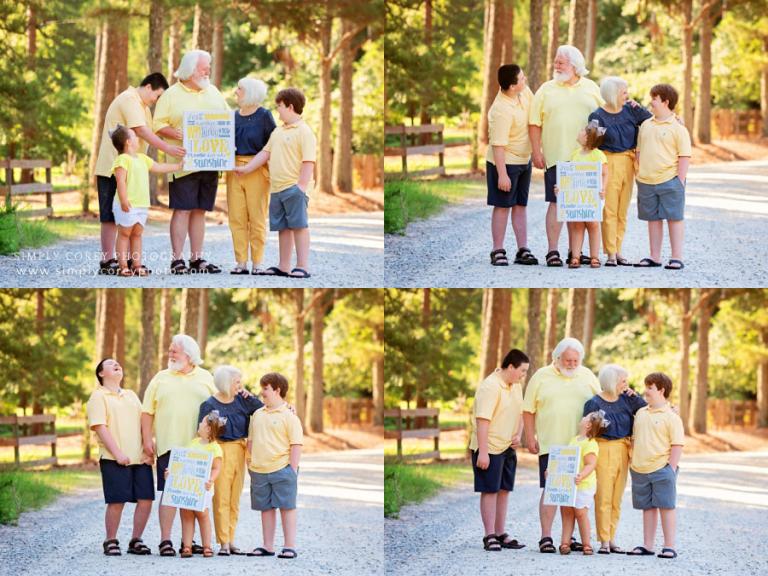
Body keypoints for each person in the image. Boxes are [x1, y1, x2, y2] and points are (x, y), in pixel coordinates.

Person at [93, 73, 186, 275]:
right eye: (157, 95)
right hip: (114, 166)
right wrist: (167, 150)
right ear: (149, 87)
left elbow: (153, 131)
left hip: (133, 170)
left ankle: (127, 261)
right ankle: (108, 261)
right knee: (110, 214)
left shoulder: (143, 107)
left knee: (127, 218)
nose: (156, 100)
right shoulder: (130, 99)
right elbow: (142, 131)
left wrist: (183, 133)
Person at [153, 50, 229, 275]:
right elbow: (157, 125)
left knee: (200, 210)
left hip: (210, 161)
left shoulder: (213, 92)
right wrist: (176, 134)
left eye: (208, 67)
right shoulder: (171, 95)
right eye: (203, 67)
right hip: (182, 163)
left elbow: (227, 121)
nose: (208, 71)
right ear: (189, 70)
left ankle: (196, 259)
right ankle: (177, 260)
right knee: (183, 209)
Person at [522, 337, 600, 554]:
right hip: (552, 445)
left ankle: (570, 538)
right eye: (568, 360)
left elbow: (603, 403)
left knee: (575, 494)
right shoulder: (541, 376)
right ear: (557, 358)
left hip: (580, 446)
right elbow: (528, 410)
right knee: (551, 491)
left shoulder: (587, 375)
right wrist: (530, 437)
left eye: (576, 361)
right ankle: (546, 537)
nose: (572, 365)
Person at [141, 334, 216, 557]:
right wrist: (147, 439)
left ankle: (189, 541)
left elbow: (223, 403)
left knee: (192, 495)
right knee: (168, 493)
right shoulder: (160, 378)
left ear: (189, 355)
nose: (170, 354)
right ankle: (165, 540)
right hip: (169, 444)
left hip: (199, 448)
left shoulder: (206, 377)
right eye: (170, 350)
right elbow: (147, 412)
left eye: (174, 351)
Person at [528, 45, 604, 267]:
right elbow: (534, 123)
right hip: (557, 156)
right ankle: (553, 251)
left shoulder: (591, 88)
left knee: (580, 206)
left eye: (561, 61)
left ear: (575, 65)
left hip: (586, 158)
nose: (556, 65)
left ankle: (576, 252)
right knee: (556, 202)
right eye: (556, 61)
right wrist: (536, 151)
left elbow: (609, 113)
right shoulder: (546, 89)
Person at [234, 88, 316, 279]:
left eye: (279, 106)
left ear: (290, 106)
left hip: (294, 188)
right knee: (282, 228)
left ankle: (303, 266)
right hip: (276, 188)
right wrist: (247, 169)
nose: (277, 110)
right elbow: (265, 153)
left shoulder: (304, 131)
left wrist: (301, 187)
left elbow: (308, 161)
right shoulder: (278, 131)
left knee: (299, 226)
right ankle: (284, 266)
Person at [87, 358, 154, 556]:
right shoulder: (98, 397)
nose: (117, 364)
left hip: (139, 457)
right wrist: (117, 454)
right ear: (101, 373)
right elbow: (100, 427)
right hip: (113, 458)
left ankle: (136, 540)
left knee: (146, 499)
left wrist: (148, 448)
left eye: (118, 363)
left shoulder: (131, 395)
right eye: (110, 364)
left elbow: (144, 422)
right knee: (117, 501)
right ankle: (110, 540)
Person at [198, 365, 263, 555]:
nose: (240, 385)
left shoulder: (243, 401)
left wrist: (250, 395)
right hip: (219, 451)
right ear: (226, 383)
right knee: (221, 498)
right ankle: (223, 542)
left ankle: (231, 539)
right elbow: (202, 432)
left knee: (235, 499)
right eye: (237, 382)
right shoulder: (209, 405)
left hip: (240, 450)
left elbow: (263, 410)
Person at [469, 349, 529, 551]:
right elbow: (482, 421)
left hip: (507, 447)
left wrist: (518, 434)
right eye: (522, 371)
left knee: (504, 490)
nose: (523, 375)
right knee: (490, 490)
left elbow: (521, 412)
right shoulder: (490, 387)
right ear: (510, 366)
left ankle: (501, 532)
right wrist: (483, 452)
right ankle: (489, 535)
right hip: (490, 447)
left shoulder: (516, 386)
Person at [588, 77, 653, 266]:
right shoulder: (597, 116)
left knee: (622, 211)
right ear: (613, 94)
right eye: (624, 92)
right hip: (608, 163)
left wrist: (640, 108)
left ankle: (618, 250)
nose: (628, 95)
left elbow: (653, 121)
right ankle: (610, 253)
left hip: (629, 163)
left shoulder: (631, 110)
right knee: (609, 210)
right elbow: (592, 144)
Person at [583, 364, 647, 554]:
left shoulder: (628, 399)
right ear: (612, 382)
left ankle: (611, 538)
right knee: (603, 496)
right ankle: (603, 540)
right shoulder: (594, 403)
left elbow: (646, 410)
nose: (626, 384)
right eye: (623, 381)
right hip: (602, 449)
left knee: (616, 499)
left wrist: (636, 396)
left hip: (623, 449)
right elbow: (587, 431)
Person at [109, 125, 182, 276]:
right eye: (134, 136)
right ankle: (123, 266)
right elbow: (120, 181)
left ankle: (137, 265)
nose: (138, 138)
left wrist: (178, 166)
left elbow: (159, 167)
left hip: (141, 205)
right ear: (128, 142)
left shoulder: (142, 158)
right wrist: (123, 200)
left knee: (137, 234)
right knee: (124, 234)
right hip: (127, 204)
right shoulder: (122, 160)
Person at [627, 372, 684, 559]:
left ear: (661, 390)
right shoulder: (641, 413)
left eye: (650, 388)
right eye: (646, 387)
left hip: (662, 469)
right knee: (647, 508)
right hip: (640, 469)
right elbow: (635, 439)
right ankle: (648, 545)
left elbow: (677, 444)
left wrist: (671, 468)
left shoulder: (671, 416)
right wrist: (633, 461)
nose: (646, 391)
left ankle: (669, 546)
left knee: (666, 506)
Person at [634, 84, 692, 270]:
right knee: (653, 219)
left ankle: (676, 257)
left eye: (655, 98)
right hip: (646, 181)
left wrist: (679, 182)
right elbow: (639, 151)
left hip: (670, 181)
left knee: (674, 218)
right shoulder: (645, 125)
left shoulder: (678, 128)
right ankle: (655, 257)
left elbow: (684, 156)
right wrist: (639, 171)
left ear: (665, 102)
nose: (651, 102)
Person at [246, 373, 303, 559]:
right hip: (259, 470)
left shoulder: (289, 416)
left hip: (282, 469)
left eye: (265, 388)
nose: (262, 392)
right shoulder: (257, 414)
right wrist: (250, 462)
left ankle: (289, 546)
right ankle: (268, 546)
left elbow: (296, 444)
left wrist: (292, 470)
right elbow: (251, 441)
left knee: (287, 507)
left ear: (277, 390)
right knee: (266, 508)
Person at [485, 65, 537, 267]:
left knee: (520, 205)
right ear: (513, 86)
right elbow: (498, 145)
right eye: (522, 79)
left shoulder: (523, 94)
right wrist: (502, 175)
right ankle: (497, 250)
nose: (526, 81)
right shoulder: (501, 110)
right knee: (502, 206)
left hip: (524, 161)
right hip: (504, 163)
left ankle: (522, 249)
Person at [227, 78, 277, 275]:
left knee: (257, 218)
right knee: (236, 218)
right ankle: (240, 262)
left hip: (257, 170)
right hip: (233, 170)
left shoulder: (264, 116)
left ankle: (257, 263)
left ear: (250, 92)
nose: (236, 92)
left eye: (239, 89)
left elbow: (273, 145)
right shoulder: (231, 117)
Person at [165, 411, 225, 558]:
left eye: (202, 422)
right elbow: (183, 464)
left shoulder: (214, 448)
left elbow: (217, 468)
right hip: (187, 487)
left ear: (208, 429)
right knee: (186, 515)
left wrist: (210, 479)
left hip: (203, 487)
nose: (199, 424)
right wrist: (171, 474)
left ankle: (207, 546)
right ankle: (187, 546)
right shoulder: (192, 443)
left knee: (203, 515)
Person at [554, 120, 608, 269]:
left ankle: (594, 257)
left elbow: (604, 174)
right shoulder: (575, 155)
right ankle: (575, 256)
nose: (579, 132)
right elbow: (569, 177)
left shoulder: (598, 155)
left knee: (593, 224)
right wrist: (561, 189)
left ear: (587, 138)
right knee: (577, 225)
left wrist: (603, 189)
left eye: (582, 131)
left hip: (593, 197)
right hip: (578, 198)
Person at [558, 410, 608, 556]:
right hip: (569, 484)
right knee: (567, 512)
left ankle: (586, 544)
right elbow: (564, 460)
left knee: (580, 513)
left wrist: (581, 475)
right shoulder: (573, 440)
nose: (582, 416)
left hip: (583, 485)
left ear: (587, 425)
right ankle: (565, 543)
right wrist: (553, 471)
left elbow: (591, 464)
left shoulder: (590, 444)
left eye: (585, 417)